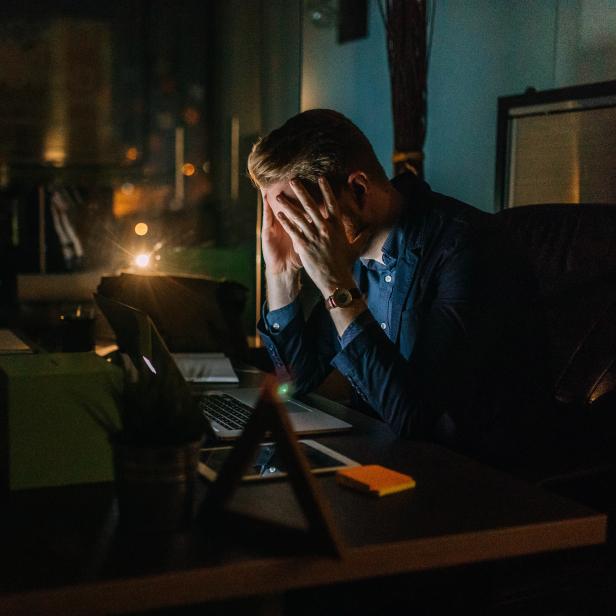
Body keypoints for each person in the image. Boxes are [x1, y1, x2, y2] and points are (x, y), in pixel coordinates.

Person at [248, 109, 548, 468]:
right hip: (385, 463)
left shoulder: (471, 248)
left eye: (302, 219)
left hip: (476, 480)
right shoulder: (354, 250)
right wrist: (280, 274)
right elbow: (295, 382)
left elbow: (415, 418)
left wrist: (335, 284)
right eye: (283, 220)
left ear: (358, 190)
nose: (298, 238)